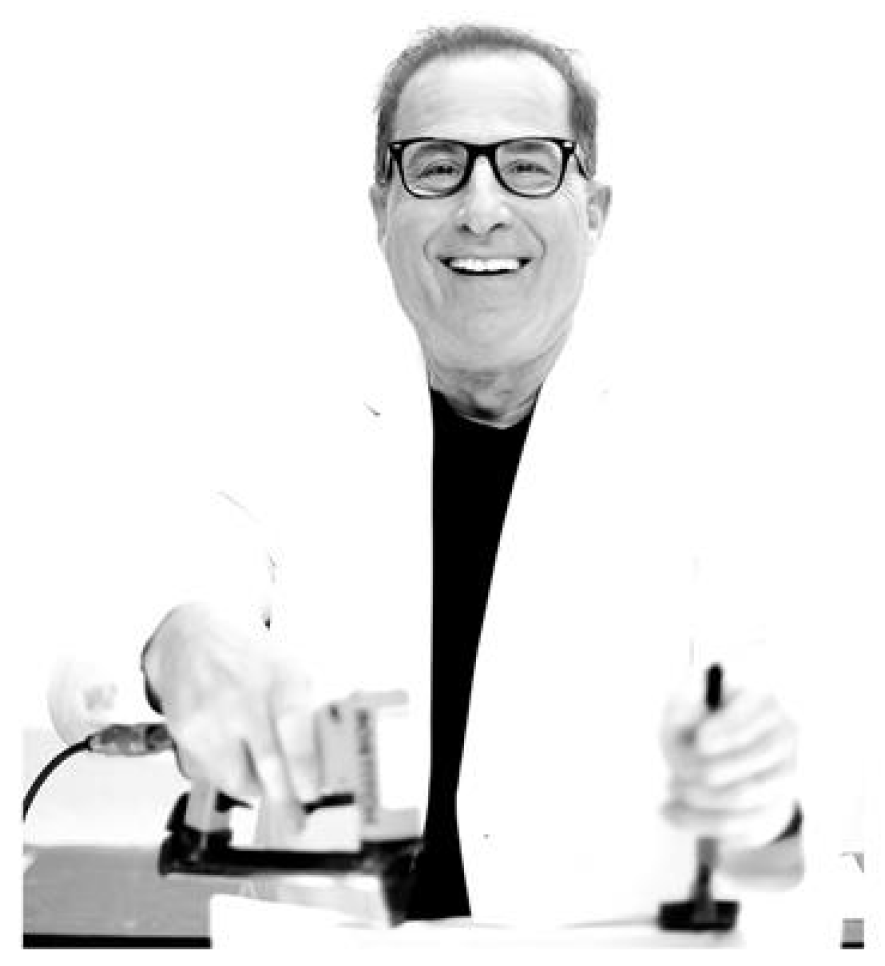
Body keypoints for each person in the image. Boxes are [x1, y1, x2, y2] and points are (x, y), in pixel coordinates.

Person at [135, 23, 818, 926]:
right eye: (437, 166)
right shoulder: (281, 444)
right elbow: (111, 636)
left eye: (529, 165)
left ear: (593, 211)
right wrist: (180, 641)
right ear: (381, 210)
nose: (482, 207)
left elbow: (770, 832)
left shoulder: (715, 468)